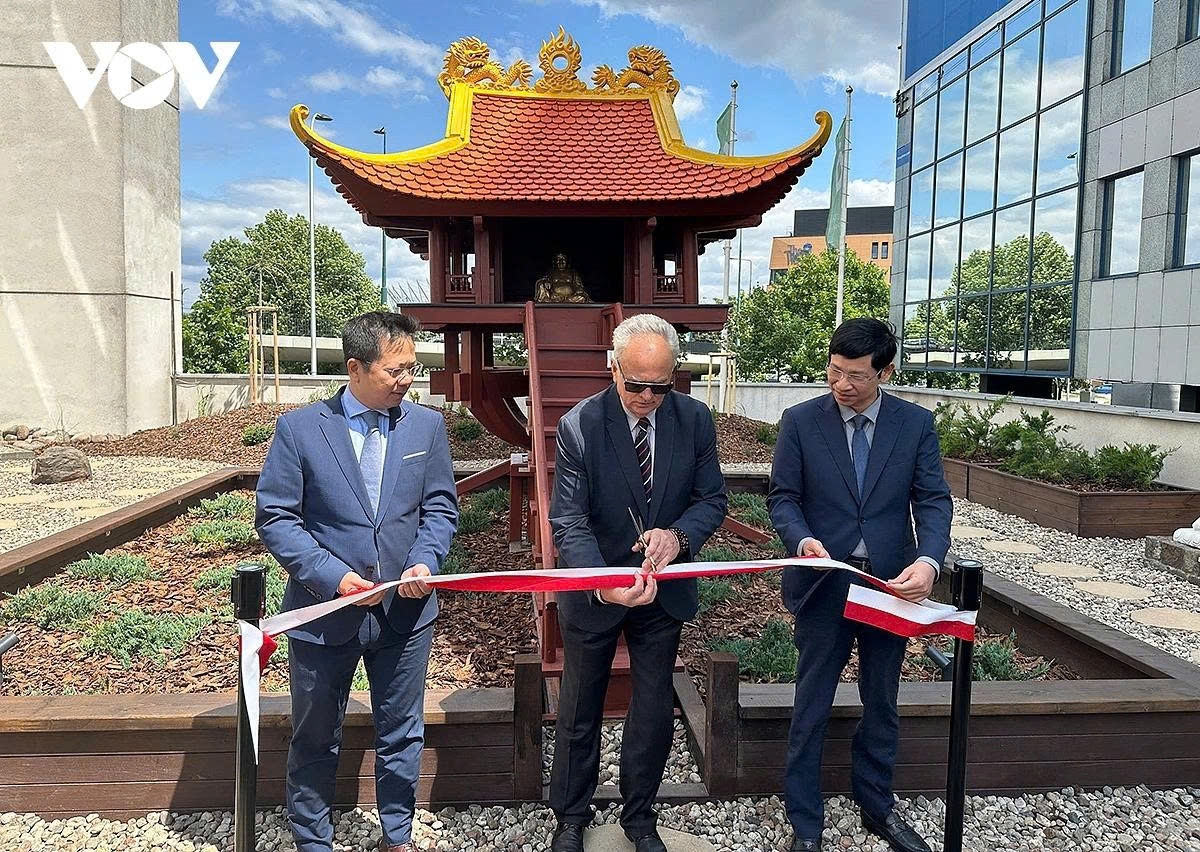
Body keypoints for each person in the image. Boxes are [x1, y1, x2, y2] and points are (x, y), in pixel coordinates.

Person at [256, 311, 458, 852]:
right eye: (396, 370)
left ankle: (397, 836)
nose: (408, 379)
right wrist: (332, 576)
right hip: (324, 615)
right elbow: (276, 517)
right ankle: (313, 841)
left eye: (412, 368)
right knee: (316, 735)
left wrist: (425, 561)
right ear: (355, 368)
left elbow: (439, 508)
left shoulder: (426, 427)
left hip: (406, 613)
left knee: (401, 733)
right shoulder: (299, 429)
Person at [768, 318, 952, 852]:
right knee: (812, 701)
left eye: (855, 375)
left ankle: (878, 806)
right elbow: (783, 497)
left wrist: (929, 561)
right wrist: (801, 541)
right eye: (833, 371)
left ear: (885, 371)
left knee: (882, 697)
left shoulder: (915, 425)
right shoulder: (800, 421)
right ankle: (805, 823)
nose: (841, 384)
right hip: (824, 582)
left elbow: (933, 501)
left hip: (891, 584)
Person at [547, 313, 727, 852]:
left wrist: (677, 536)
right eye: (637, 384)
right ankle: (571, 817)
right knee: (580, 706)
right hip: (596, 587)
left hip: (662, 587)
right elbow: (568, 520)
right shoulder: (580, 424)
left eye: (661, 385)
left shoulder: (694, 420)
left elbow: (711, 500)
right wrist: (602, 584)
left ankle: (640, 817)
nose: (648, 396)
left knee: (652, 707)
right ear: (613, 368)